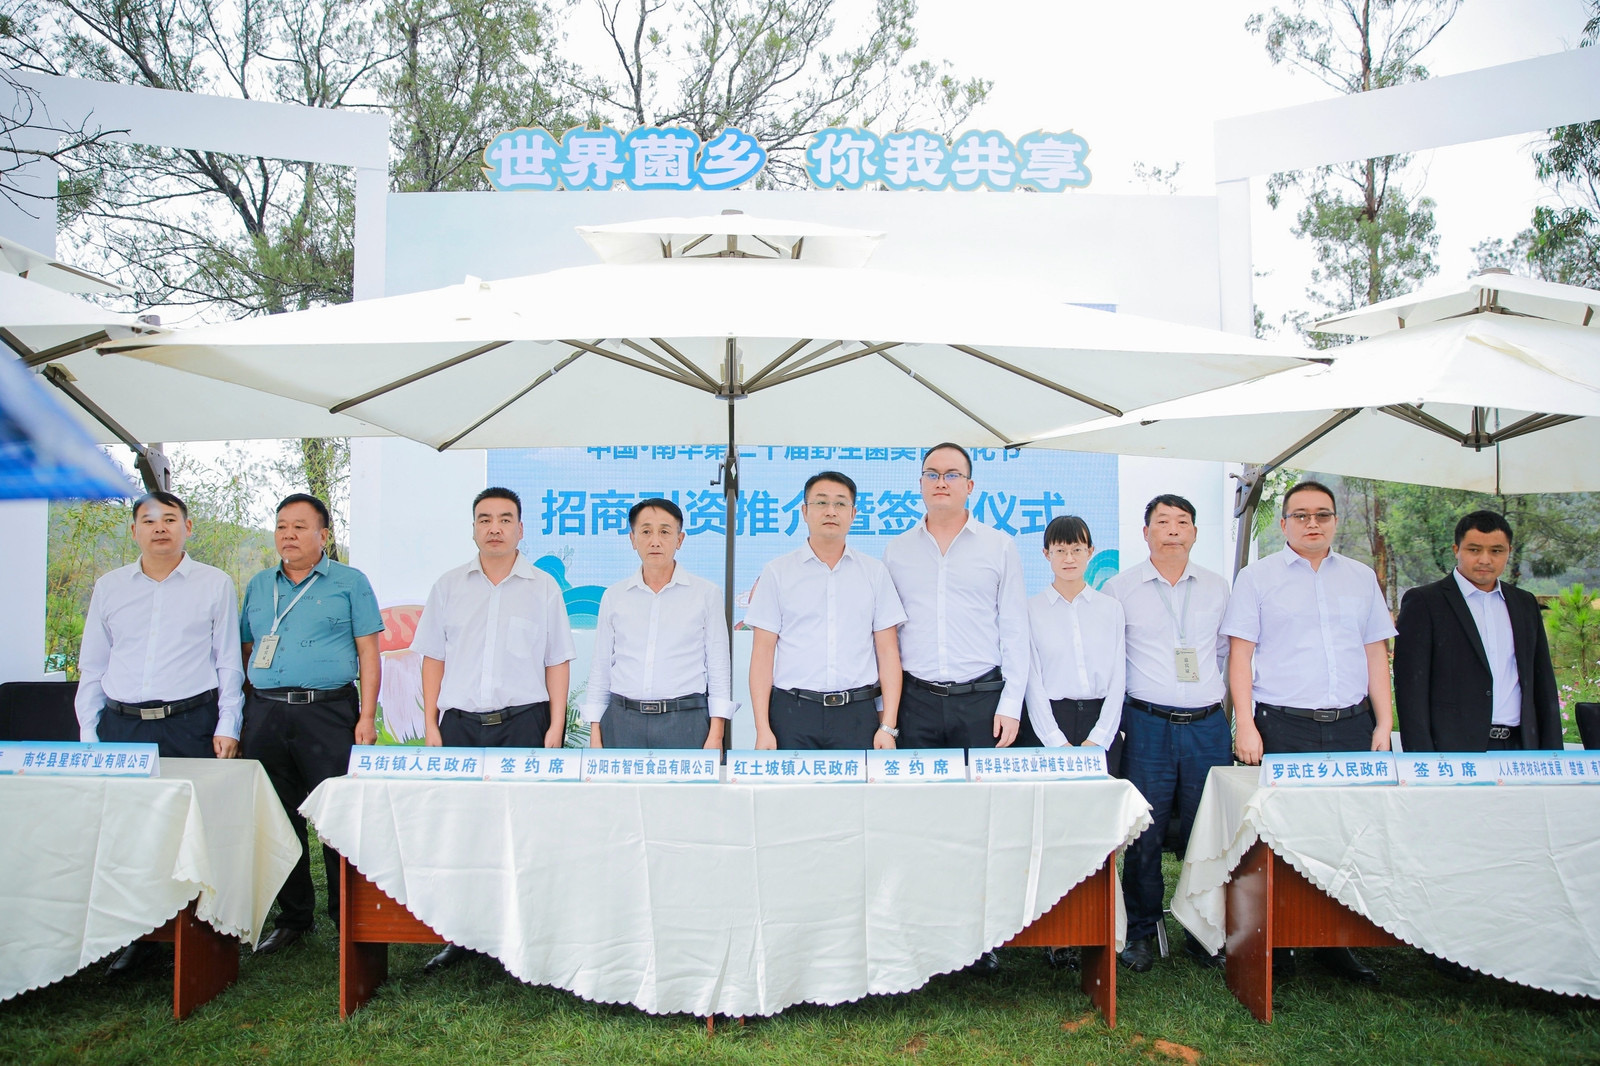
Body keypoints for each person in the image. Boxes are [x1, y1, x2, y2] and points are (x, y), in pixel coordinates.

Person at [1223, 480, 1393, 985]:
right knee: (1280, 835)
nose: (1312, 523)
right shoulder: (1257, 578)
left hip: (1351, 726)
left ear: (1336, 521)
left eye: (1322, 514)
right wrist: (1246, 723)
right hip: (1284, 726)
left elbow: (1375, 654)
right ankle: (1279, 940)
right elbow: (1240, 656)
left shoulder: (1360, 578)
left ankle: (1335, 942)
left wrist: (1384, 723)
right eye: (1301, 515)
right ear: (1283, 524)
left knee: (1345, 835)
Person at [75, 490, 245, 976]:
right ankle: (136, 936)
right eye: (149, 521)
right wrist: (89, 733)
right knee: (128, 833)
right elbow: (93, 666)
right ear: (134, 531)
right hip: (121, 726)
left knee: (189, 831)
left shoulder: (214, 584)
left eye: (170, 519)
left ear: (188, 528)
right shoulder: (110, 587)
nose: (160, 528)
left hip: (189, 724)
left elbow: (227, 662)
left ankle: (194, 933)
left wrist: (227, 723)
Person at [241, 493, 383, 958]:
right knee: (278, 816)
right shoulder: (259, 585)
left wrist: (366, 717)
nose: (289, 535)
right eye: (282, 526)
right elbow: (247, 649)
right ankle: (294, 917)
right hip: (265, 713)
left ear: (323, 534)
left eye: (300, 527)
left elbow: (368, 653)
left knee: (335, 816)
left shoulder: (349, 582)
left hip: (327, 712)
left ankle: (347, 916)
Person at [1104, 494, 1232, 974]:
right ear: (1146, 533)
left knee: (1209, 830)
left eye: (1182, 522)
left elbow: (1226, 652)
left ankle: (1205, 931)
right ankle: (1140, 931)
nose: (1173, 529)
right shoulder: (1120, 589)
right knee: (1145, 830)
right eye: (1163, 522)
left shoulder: (1218, 587)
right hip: (1147, 724)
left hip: (1206, 727)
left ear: (1195, 532)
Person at [882, 443, 1031, 753]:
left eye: (951, 475)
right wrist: (886, 712)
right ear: (920, 483)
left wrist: (1011, 703)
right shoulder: (897, 550)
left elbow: (1015, 629)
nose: (941, 482)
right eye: (932, 475)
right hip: (915, 702)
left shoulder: (999, 546)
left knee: (981, 786)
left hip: (982, 700)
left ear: (969, 485)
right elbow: (887, 636)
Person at [747, 471, 905, 751]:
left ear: (853, 514)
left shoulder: (874, 572)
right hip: (793, 713)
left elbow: (888, 651)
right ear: (804, 512)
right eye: (821, 502)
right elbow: (762, 653)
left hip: (857, 714)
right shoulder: (777, 572)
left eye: (840, 503)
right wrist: (763, 728)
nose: (831, 511)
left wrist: (888, 726)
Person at [414, 487, 573, 752]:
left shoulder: (544, 588)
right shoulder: (447, 586)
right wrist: (430, 724)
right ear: (474, 529)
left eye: (505, 520)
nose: (494, 529)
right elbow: (434, 658)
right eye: (485, 520)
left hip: (524, 723)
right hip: (459, 725)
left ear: (520, 530)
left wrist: (557, 725)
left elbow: (557, 660)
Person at [1394, 510, 1562, 753]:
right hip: (1452, 750)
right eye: (1474, 550)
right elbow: (1411, 689)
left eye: (1496, 551)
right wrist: (1422, 758)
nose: (1485, 559)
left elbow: (1542, 682)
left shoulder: (1524, 603)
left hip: (1519, 746)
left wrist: (1553, 753)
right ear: (1456, 550)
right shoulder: (1425, 602)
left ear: (1509, 551)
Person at [584, 497, 734, 750]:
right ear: (632, 539)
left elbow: (718, 667)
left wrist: (716, 733)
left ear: (680, 539)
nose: (655, 541)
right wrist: (595, 731)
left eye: (665, 532)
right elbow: (601, 667)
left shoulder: (706, 594)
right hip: (622, 720)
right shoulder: (614, 596)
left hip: (685, 719)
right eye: (646, 532)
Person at [1023, 515, 1125, 775]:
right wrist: (1055, 740)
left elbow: (1119, 678)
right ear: (1046, 554)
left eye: (1077, 550)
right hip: (1048, 722)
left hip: (1101, 722)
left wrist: (1100, 736)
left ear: (1090, 552)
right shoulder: (1030, 610)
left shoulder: (1111, 608)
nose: (1069, 558)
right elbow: (1032, 680)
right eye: (1060, 550)